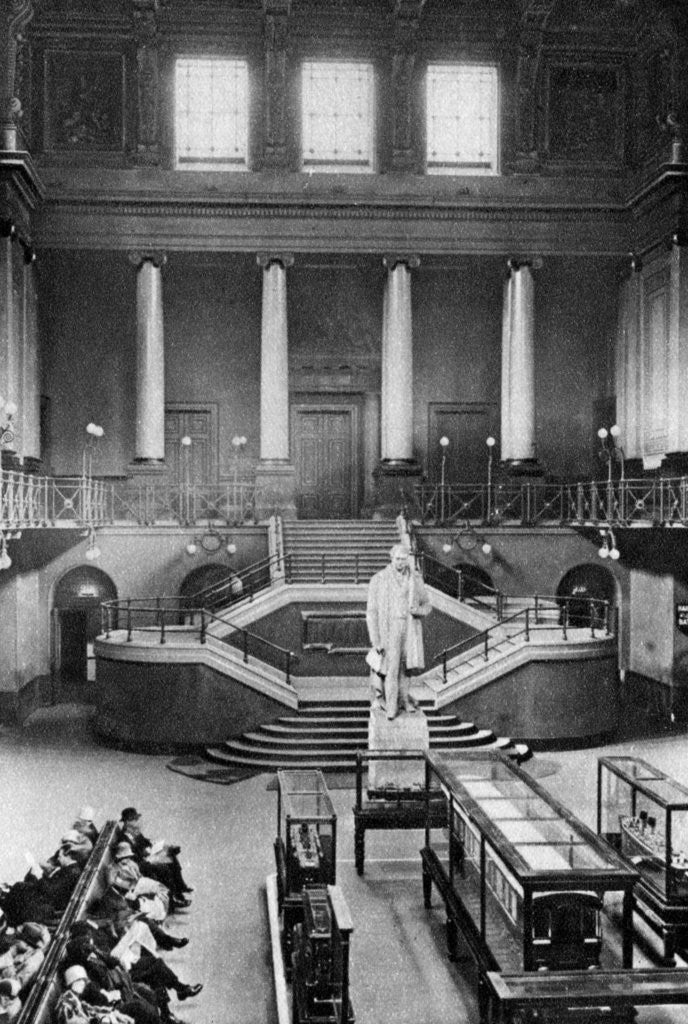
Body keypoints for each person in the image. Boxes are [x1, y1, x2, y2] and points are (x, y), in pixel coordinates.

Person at [366, 544, 431, 719]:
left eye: (404, 559)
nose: (401, 562)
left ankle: (404, 700)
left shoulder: (415, 579)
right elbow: (371, 612)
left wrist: (417, 610)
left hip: (409, 628)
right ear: (391, 558)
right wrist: (376, 640)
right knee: (391, 669)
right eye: (397, 559)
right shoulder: (379, 579)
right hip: (389, 630)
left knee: (406, 668)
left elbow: (427, 605)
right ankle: (391, 706)